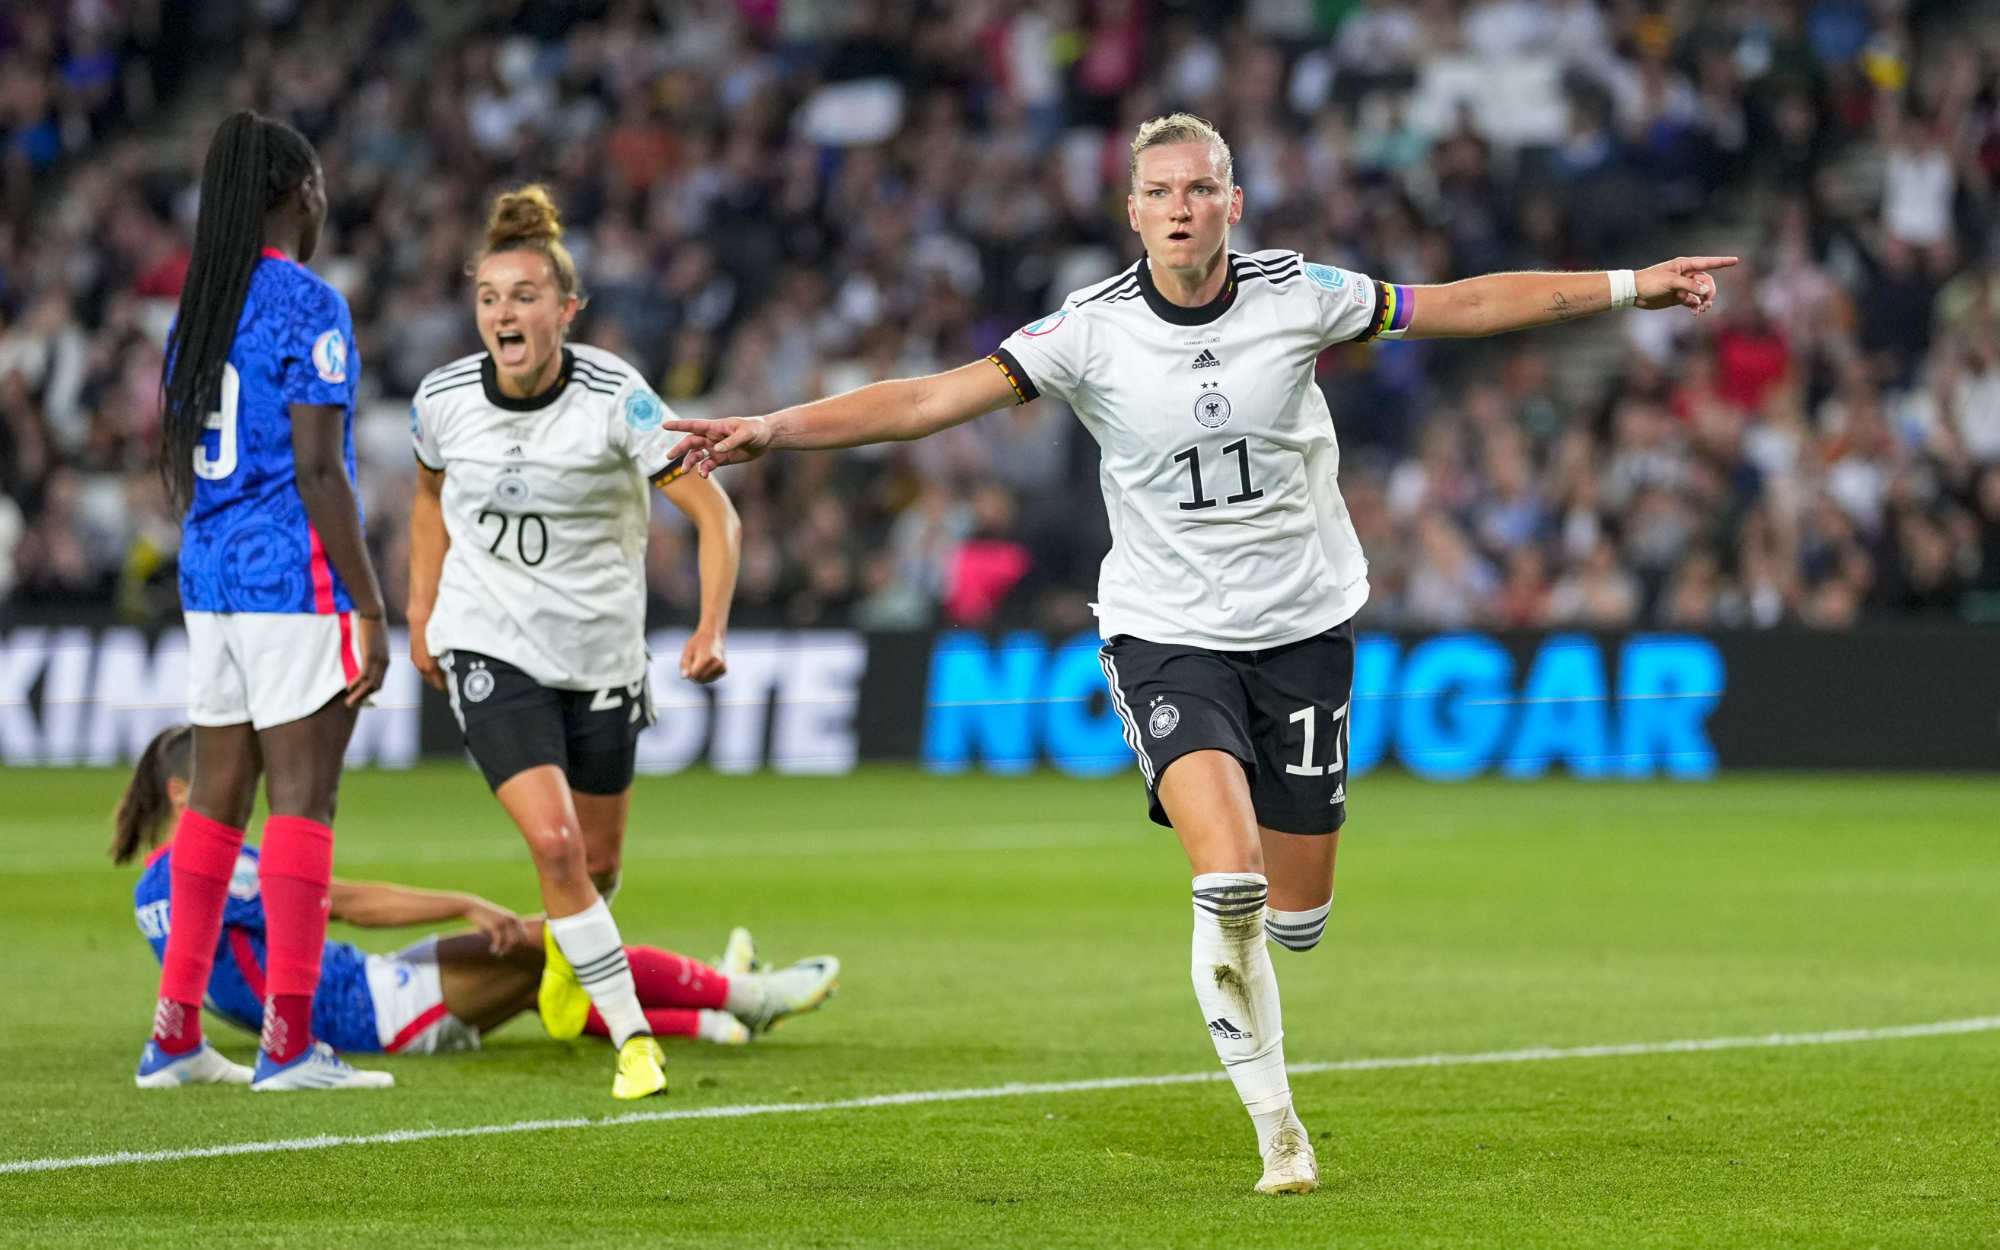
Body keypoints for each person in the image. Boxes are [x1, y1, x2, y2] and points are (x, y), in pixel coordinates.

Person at [662, 114, 1737, 1194]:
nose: (1180, 207)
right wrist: (774, 428)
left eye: (1200, 188)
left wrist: (1629, 286)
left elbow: (1460, 305)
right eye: (1160, 191)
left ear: (1232, 203)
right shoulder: (1086, 330)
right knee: (1227, 880)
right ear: (1131, 210)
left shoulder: (1300, 292)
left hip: (1303, 627)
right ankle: (1279, 1132)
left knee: (1297, 918)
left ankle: (1269, 956)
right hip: (1166, 635)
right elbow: (928, 399)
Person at [405, 185, 788, 1099]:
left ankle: (565, 971)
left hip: (601, 655)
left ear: (566, 310)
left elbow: (716, 514)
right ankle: (633, 1041)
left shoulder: (618, 399)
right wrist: (420, 616)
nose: (504, 313)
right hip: (488, 642)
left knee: (599, 864)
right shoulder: (442, 399)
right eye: (490, 297)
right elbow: (427, 499)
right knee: (555, 844)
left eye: (525, 295)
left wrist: (710, 625)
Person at [140, 111, 392, 1092]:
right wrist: (370, 605)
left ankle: (174, 1033)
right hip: (291, 576)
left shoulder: (197, 306)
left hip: (210, 574)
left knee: (217, 798)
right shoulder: (309, 304)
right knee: (302, 798)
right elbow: (321, 470)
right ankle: (288, 1042)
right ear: (300, 194)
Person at [114, 725, 838, 1059]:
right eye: (231, 782)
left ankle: (709, 1021)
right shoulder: (197, 868)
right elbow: (344, 902)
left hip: (366, 992)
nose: (245, 793)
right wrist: (462, 901)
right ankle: (747, 995)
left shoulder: (155, 890)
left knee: (538, 981)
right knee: (557, 938)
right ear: (182, 793)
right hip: (370, 1011)